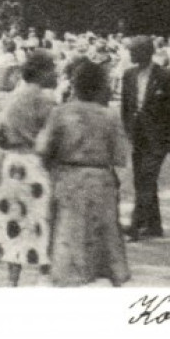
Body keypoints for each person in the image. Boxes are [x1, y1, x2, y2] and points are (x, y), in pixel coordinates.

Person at [35, 60, 131, 287]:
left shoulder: (60, 113)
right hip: (101, 181)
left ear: (75, 86)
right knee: (104, 236)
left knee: (69, 237)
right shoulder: (110, 116)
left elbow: (42, 148)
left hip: (68, 179)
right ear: (99, 87)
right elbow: (120, 156)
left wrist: (54, 168)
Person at [0, 49, 58, 285]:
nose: (56, 73)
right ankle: (44, 277)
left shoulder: (14, 97)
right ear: (42, 72)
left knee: (13, 222)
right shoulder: (45, 100)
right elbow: (52, 138)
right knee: (42, 220)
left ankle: (12, 281)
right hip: (35, 165)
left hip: (12, 166)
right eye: (52, 68)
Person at [119, 36, 170, 242]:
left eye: (133, 51)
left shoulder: (166, 76)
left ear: (146, 52)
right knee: (142, 179)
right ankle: (154, 225)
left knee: (147, 177)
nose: (130, 54)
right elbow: (125, 107)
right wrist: (126, 130)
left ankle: (136, 224)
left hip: (159, 137)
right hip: (138, 136)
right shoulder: (128, 75)